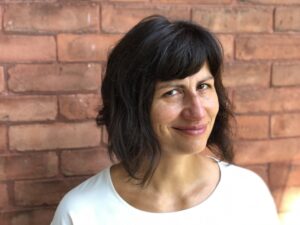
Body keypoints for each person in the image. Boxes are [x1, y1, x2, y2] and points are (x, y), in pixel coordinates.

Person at [50, 15, 280, 225]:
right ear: (132, 105)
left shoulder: (248, 195)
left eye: (203, 86)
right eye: (172, 92)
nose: (198, 111)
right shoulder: (82, 213)